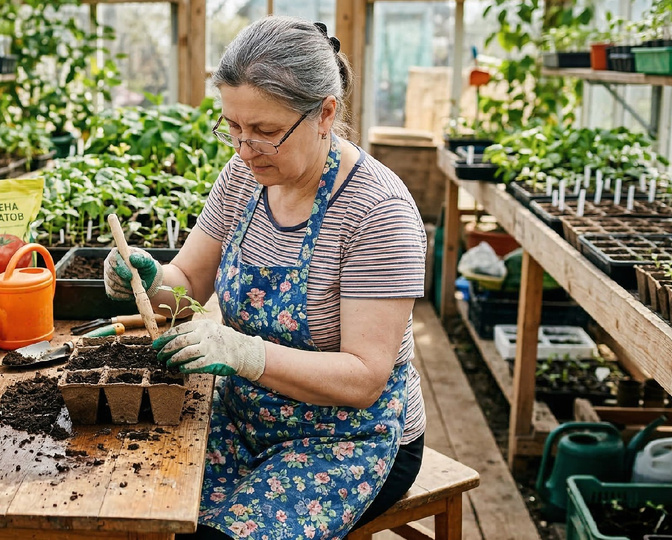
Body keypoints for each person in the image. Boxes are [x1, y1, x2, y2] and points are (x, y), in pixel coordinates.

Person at [103, 16, 428, 540]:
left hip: (347, 438)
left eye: (266, 132)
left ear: (325, 113)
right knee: (138, 507)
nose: (243, 148)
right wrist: (149, 277)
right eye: (233, 127)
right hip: (244, 414)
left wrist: (245, 354)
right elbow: (189, 282)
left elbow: (365, 379)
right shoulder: (244, 176)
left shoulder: (377, 212)